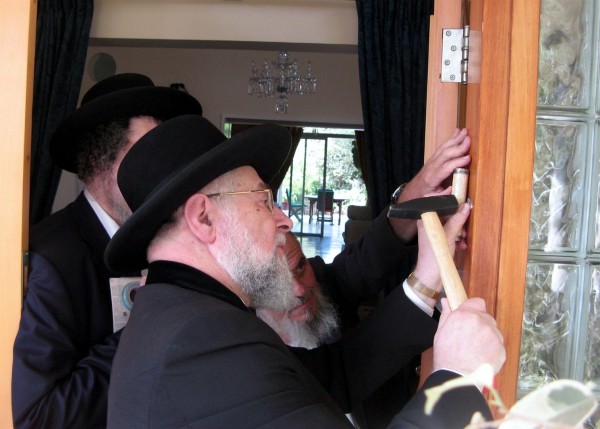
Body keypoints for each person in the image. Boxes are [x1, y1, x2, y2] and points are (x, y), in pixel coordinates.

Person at [105, 114, 505, 428]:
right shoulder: (196, 342)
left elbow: (333, 378)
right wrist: (460, 377)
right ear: (203, 219)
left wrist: (428, 276)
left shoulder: (193, 315)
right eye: (263, 201)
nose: (284, 220)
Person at [11, 73, 203, 429]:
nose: (163, 172)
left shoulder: (162, 240)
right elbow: (40, 416)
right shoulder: (54, 257)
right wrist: (146, 323)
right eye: (146, 155)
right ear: (100, 162)